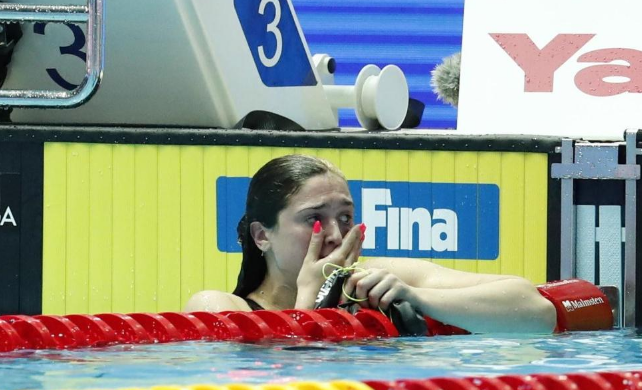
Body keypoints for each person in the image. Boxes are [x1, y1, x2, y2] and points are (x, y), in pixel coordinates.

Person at [185, 154, 557, 333]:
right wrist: (310, 302)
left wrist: (419, 297)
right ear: (262, 235)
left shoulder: (379, 278)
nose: (334, 234)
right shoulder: (220, 307)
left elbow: (535, 310)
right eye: (314, 219)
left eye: (345, 217)